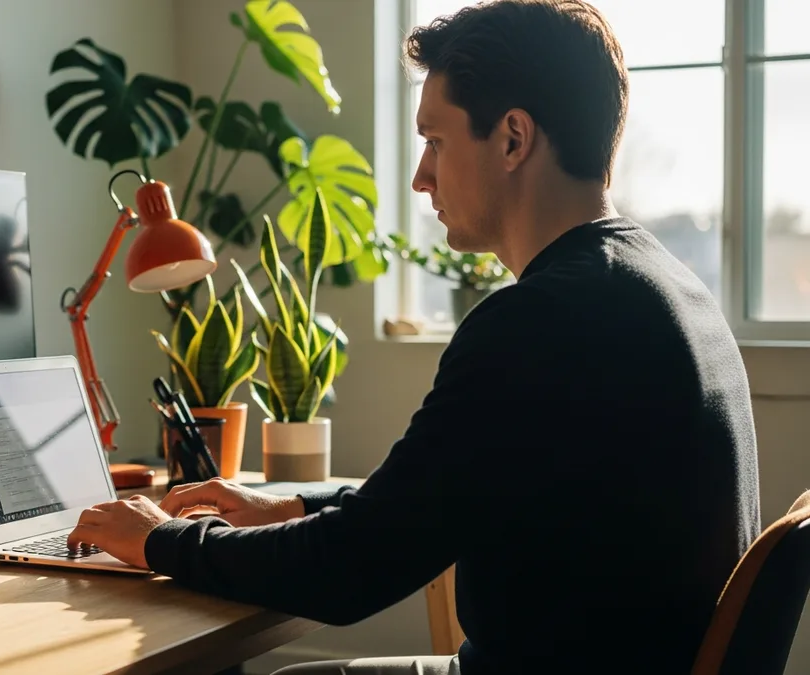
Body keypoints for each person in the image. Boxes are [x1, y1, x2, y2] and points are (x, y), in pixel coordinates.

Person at [67, 1, 760, 673]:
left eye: (435, 141)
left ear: (513, 138)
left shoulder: (540, 321)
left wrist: (160, 537)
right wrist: (296, 504)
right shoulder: (663, 289)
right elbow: (439, 495)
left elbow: (348, 571)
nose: (420, 176)